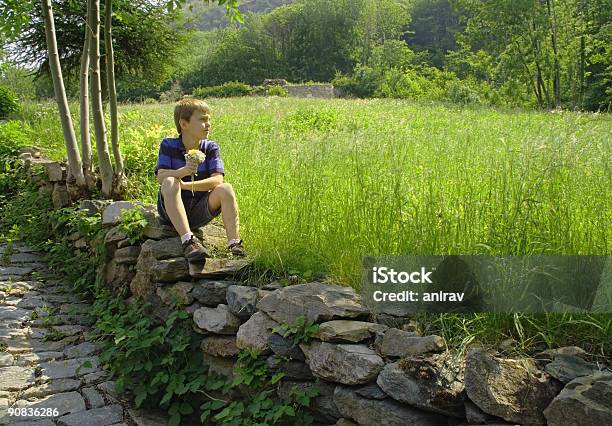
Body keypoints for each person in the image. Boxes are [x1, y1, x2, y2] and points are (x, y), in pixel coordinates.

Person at [155, 98, 246, 264]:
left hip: (199, 210)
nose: (208, 124)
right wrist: (182, 172)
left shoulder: (210, 147)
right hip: (171, 211)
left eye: (209, 119)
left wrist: (187, 185)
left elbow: (217, 180)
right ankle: (188, 241)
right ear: (184, 124)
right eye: (203, 120)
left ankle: (235, 244)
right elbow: (161, 176)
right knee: (169, 181)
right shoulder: (168, 145)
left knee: (225, 188)